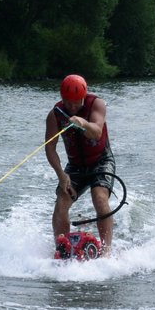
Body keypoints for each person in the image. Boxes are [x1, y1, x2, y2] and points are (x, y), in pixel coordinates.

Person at [45, 74, 116, 256]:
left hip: (101, 160)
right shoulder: (55, 114)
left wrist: (83, 122)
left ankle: (106, 252)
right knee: (61, 201)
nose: (72, 107)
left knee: (99, 198)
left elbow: (97, 133)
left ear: (84, 97)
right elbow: (50, 148)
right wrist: (61, 175)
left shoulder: (96, 104)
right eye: (68, 102)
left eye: (77, 102)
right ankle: (62, 250)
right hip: (75, 166)